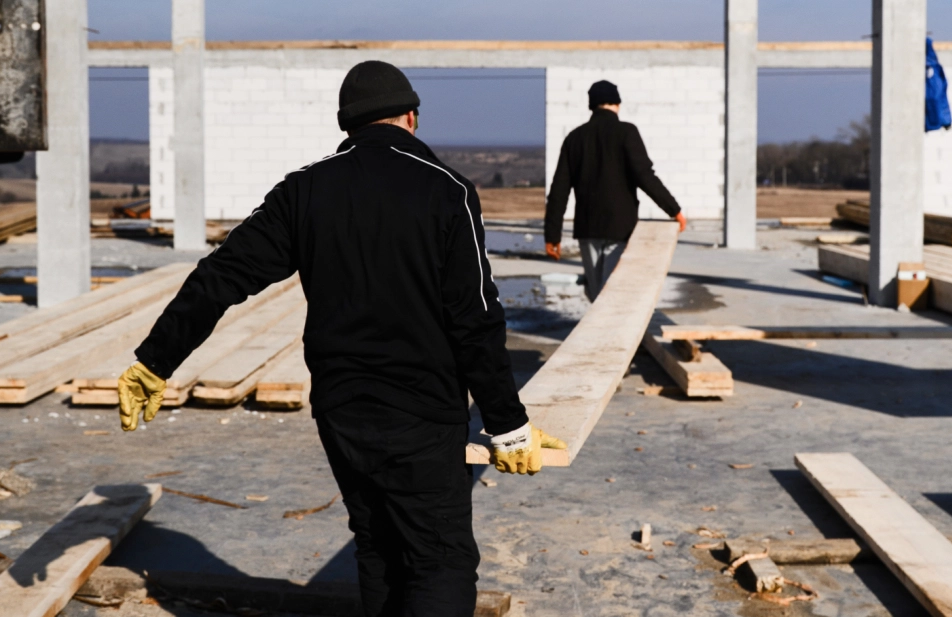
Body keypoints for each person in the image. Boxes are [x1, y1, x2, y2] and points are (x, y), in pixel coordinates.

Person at [117, 60, 565, 617]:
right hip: (422, 413)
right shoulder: (446, 190)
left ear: (347, 126)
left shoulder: (304, 191)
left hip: (342, 411)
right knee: (438, 560)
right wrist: (507, 423)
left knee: (377, 548)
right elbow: (475, 318)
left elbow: (221, 275)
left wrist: (155, 360)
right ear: (412, 117)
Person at [544, 80, 686, 301]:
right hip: (620, 226)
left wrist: (552, 235)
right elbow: (645, 176)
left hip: (587, 228)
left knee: (598, 290)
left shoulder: (575, 138)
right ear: (617, 104)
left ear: (591, 106)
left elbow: (559, 191)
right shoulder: (627, 132)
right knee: (611, 292)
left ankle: (602, 333)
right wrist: (673, 210)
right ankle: (610, 336)